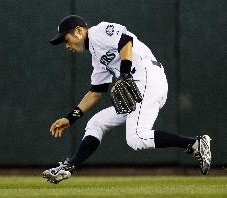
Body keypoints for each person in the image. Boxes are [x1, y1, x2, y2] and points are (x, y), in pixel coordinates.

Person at [42, 15, 212, 184]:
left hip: (147, 79)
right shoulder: (97, 57)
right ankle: (69, 166)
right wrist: (70, 118)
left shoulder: (97, 32)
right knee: (97, 123)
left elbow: (125, 41)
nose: (67, 45)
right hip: (140, 84)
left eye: (66, 39)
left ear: (78, 31)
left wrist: (124, 75)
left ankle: (195, 143)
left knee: (137, 138)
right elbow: (96, 92)